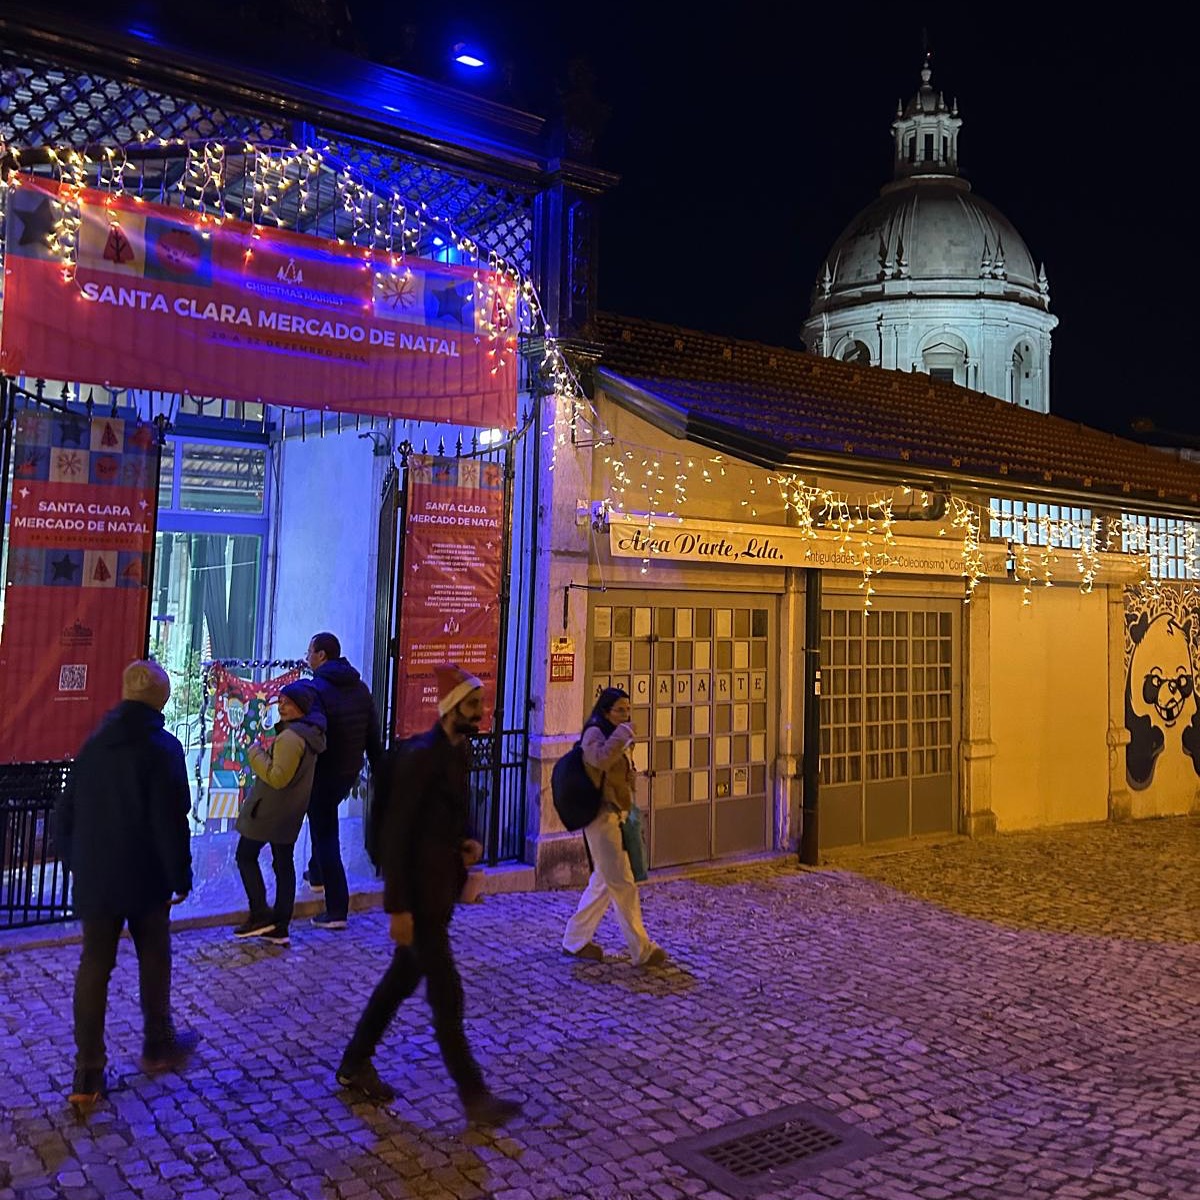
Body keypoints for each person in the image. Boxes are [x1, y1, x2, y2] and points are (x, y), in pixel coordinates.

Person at [335, 664, 522, 1127]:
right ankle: (474, 1096)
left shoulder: (458, 754)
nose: (481, 713)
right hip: (418, 897)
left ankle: (354, 1062)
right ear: (452, 707)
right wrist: (397, 907)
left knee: (399, 983)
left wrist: (469, 839)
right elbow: (397, 834)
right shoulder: (421, 757)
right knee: (447, 995)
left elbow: (455, 813)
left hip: (438, 890)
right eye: (473, 704)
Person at [55, 659, 198, 1109]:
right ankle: (158, 1043)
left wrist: (77, 861)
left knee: (94, 966)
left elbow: (65, 811)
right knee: (154, 956)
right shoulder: (163, 748)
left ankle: (87, 1073)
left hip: (98, 875)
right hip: (145, 875)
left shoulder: (95, 744)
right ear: (161, 699)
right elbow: (171, 820)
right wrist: (180, 875)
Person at [561, 687, 666, 967]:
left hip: (615, 813)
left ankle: (574, 940)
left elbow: (615, 771)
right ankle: (642, 949)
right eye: (620, 710)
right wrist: (622, 736)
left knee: (603, 883)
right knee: (622, 883)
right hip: (599, 816)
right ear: (606, 711)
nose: (625, 715)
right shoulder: (595, 732)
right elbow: (600, 759)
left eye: (628, 709)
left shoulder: (615, 735)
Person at [233, 680, 327, 946]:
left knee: (245, 856)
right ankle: (280, 925)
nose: (282, 706)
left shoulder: (290, 737)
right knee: (283, 863)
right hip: (289, 810)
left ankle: (261, 914)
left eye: (288, 702)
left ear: (301, 707)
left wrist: (255, 754)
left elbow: (277, 777)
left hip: (270, 810)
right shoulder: (310, 733)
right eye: (281, 702)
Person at [303, 631, 383, 929]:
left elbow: (313, 733)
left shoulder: (317, 689)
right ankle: (317, 874)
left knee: (325, 834)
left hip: (324, 770)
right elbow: (373, 734)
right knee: (322, 821)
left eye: (310, 651)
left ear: (322, 655)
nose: (306, 656)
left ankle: (336, 907)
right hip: (348, 771)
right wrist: (377, 768)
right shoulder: (360, 688)